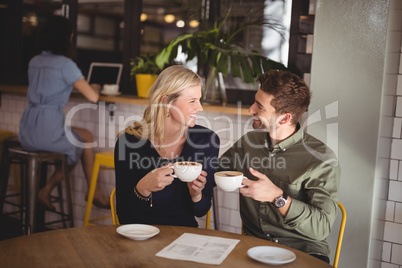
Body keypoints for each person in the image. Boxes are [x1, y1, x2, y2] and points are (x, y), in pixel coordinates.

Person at [218, 70, 340, 263]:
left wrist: (278, 197)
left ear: (284, 118)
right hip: (252, 245)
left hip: (303, 251)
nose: (251, 110)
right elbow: (218, 170)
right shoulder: (249, 142)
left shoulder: (320, 159)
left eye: (259, 106)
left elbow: (321, 227)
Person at [18, 15, 110, 210]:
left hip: (29, 127)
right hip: (49, 128)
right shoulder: (66, 65)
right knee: (79, 144)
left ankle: (94, 191)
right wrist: (95, 87)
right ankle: (50, 190)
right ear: (68, 37)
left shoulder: (35, 61)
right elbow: (93, 97)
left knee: (85, 136)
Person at [114, 65, 220, 227]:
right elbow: (125, 218)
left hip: (184, 237)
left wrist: (196, 194)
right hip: (141, 237)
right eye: (192, 101)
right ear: (167, 102)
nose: (200, 108)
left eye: (199, 100)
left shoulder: (207, 140)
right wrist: (143, 188)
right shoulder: (129, 143)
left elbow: (201, 211)